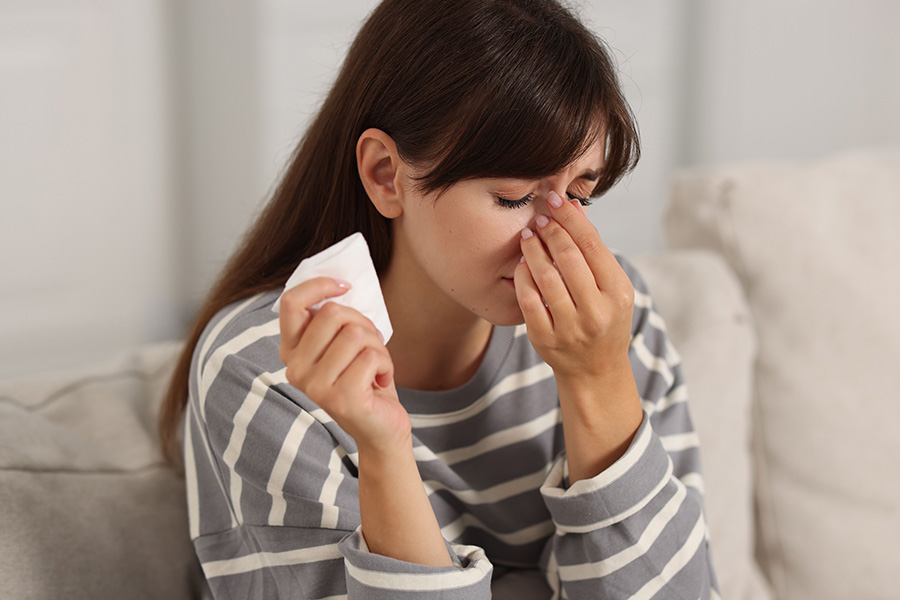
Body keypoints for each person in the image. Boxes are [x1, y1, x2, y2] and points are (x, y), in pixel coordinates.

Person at [158, 0, 719, 597]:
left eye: (579, 194)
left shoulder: (611, 323)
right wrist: (384, 451)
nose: (554, 239)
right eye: (511, 197)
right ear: (385, 174)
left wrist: (598, 379)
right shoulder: (267, 371)